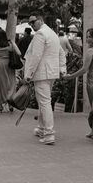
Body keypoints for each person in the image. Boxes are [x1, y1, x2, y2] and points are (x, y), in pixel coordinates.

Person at [24, 15, 66, 145]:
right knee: (44, 102)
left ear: (40, 20)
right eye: (30, 23)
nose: (31, 25)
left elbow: (36, 56)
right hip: (51, 73)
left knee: (45, 103)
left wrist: (28, 74)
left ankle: (48, 133)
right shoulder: (52, 33)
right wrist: (62, 68)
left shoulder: (41, 34)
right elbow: (61, 53)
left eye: (33, 22)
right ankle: (42, 128)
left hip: (42, 73)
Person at [0, 28, 21, 113]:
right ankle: (10, 103)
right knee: (10, 83)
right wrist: (12, 42)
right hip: (9, 64)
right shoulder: (10, 44)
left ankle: (0, 106)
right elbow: (19, 53)